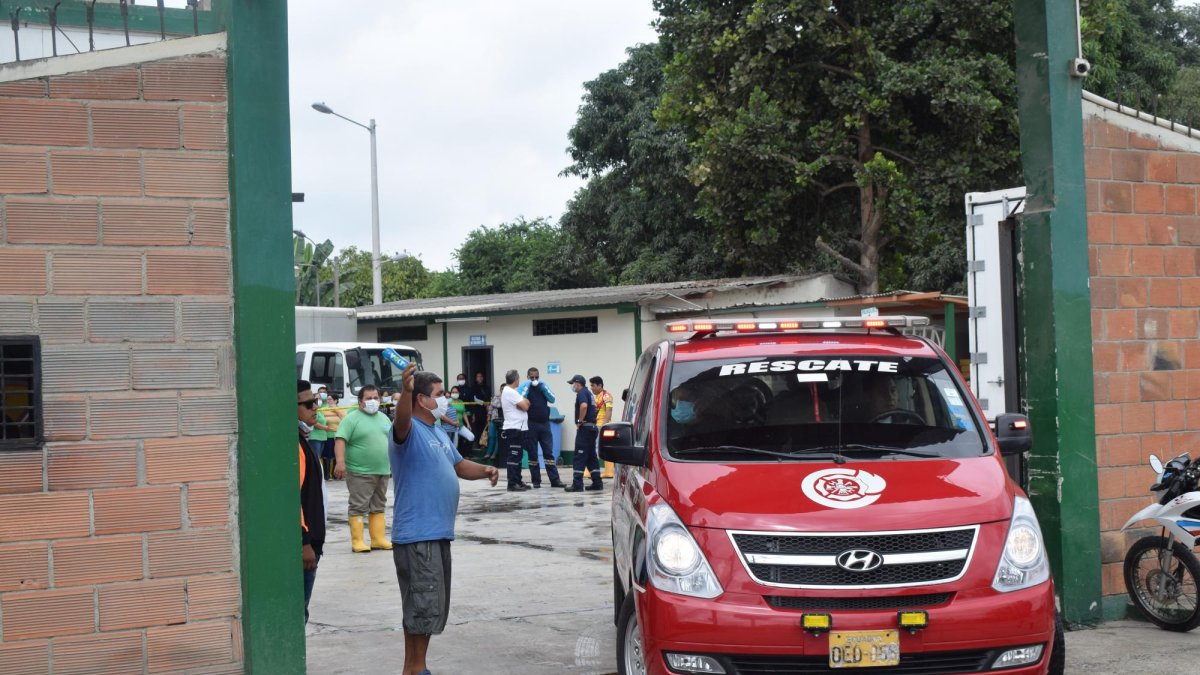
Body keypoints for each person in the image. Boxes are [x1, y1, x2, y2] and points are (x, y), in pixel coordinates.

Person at [389, 364, 498, 675]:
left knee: (426, 606)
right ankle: (417, 669)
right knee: (423, 605)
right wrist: (405, 393)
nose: (446, 399)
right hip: (418, 536)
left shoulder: (437, 432)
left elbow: (460, 465)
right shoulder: (407, 432)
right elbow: (400, 421)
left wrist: (486, 470)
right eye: (439, 395)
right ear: (422, 400)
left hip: (437, 533)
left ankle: (414, 668)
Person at [333, 385, 393, 553]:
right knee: (358, 505)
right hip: (360, 472)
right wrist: (340, 462)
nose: (373, 401)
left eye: (376, 397)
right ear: (360, 402)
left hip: (382, 470)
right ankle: (358, 541)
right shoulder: (351, 419)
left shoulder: (384, 418)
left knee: (379, 505)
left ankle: (378, 539)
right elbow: (340, 440)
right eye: (368, 398)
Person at [297, 380, 326, 623]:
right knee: (297, 613)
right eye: (308, 404)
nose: (314, 407)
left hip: (312, 544)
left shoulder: (303, 441)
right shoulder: (293, 445)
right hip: (305, 548)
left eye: (315, 401)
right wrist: (304, 543)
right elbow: (293, 499)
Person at [517, 367, 564, 488]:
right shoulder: (525, 388)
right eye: (532, 377)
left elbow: (552, 399)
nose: (534, 379)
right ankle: (536, 481)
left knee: (549, 453)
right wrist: (527, 386)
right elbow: (519, 399)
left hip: (544, 424)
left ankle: (555, 480)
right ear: (527, 377)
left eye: (536, 377)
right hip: (531, 424)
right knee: (532, 454)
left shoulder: (543, 387)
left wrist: (544, 387)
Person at [564, 374, 602, 492]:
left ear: (578, 383)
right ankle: (597, 482)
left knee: (579, 456)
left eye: (573, 384)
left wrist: (580, 421)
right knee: (591, 457)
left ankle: (577, 484)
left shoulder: (581, 393)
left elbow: (584, 406)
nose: (572, 386)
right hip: (592, 428)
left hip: (585, 429)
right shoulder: (589, 393)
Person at [500, 369, 532, 491]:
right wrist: (525, 402)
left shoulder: (512, 392)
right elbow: (525, 406)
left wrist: (524, 403)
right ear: (515, 379)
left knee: (518, 455)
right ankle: (512, 483)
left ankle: (517, 480)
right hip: (514, 428)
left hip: (519, 427)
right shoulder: (510, 392)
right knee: (514, 455)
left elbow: (524, 404)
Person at [590, 376, 615, 478]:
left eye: (593, 385)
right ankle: (607, 472)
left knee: (595, 448)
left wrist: (605, 425)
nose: (591, 388)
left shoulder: (606, 396)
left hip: (601, 425)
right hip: (597, 425)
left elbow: (609, 410)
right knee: (601, 447)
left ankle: (594, 471)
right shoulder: (597, 396)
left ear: (600, 385)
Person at [310, 386, 335, 480]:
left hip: (322, 437)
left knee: (319, 457)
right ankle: (315, 476)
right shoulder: (313, 410)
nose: (319, 400)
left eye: (320, 398)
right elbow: (314, 422)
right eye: (317, 398)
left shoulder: (320, 410)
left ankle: (318, 476)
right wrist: (325, 427)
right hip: (315, 437)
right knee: (315, 457)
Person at [321, 392, 345, 479]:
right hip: (327, 435)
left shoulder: (341, 409)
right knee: (328, 455)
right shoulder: (323, 409)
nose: (329, 401)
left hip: (338, 434)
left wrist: (336, 410)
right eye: (327, 399)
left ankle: (337, 475)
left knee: (337, 456)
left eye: (330, 399)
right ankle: (328, 475)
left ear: (336, 400)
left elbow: (344, 419)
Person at [470, 371, 490, 449]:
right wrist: (483, 403)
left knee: (484, 426)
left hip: (485, 410)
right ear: (476, 378)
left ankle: (483, 444)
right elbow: (474, 399)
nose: (480, 378)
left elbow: (488, 398)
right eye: (478, 376)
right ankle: (477, 443)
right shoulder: (473, 387)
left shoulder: (486, 387)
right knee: (477, 427)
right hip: (477, 410)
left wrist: (487, 406)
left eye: (481, 376)